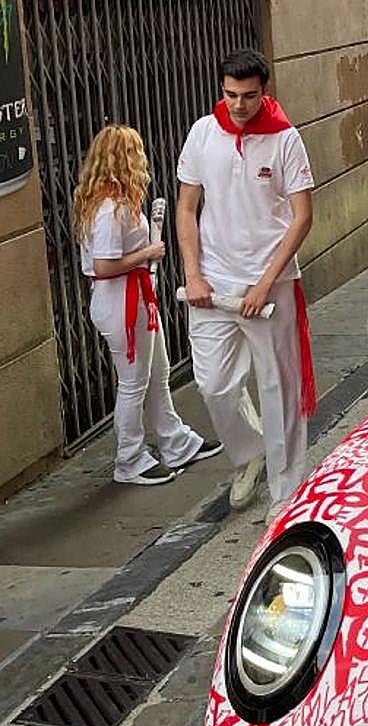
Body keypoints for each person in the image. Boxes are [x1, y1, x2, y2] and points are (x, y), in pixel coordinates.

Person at [177, 49, 314, 510]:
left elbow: (301, 218)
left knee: (279, 388)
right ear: (222, 88)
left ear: (264, 91)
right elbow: (186, 207)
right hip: (212, 285)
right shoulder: (202, 133)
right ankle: (249, 453)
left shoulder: (286, 140)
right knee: (213, 384)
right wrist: (193, 274)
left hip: (269, 285)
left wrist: (264, 283)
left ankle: (286, 493)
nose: (238, 104)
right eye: (231, 94)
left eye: (249, 96)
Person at [74, 126, 220, 486]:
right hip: (120, 298)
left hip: (133, 296)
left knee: (158, 372)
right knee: (134, 382)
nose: (142, 159)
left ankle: (174, 441)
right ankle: (130, 458)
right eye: (135, 152)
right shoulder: (109, 208)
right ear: (125, 157)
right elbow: (105, 265)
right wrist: (148, 253)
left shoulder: (114, 201)